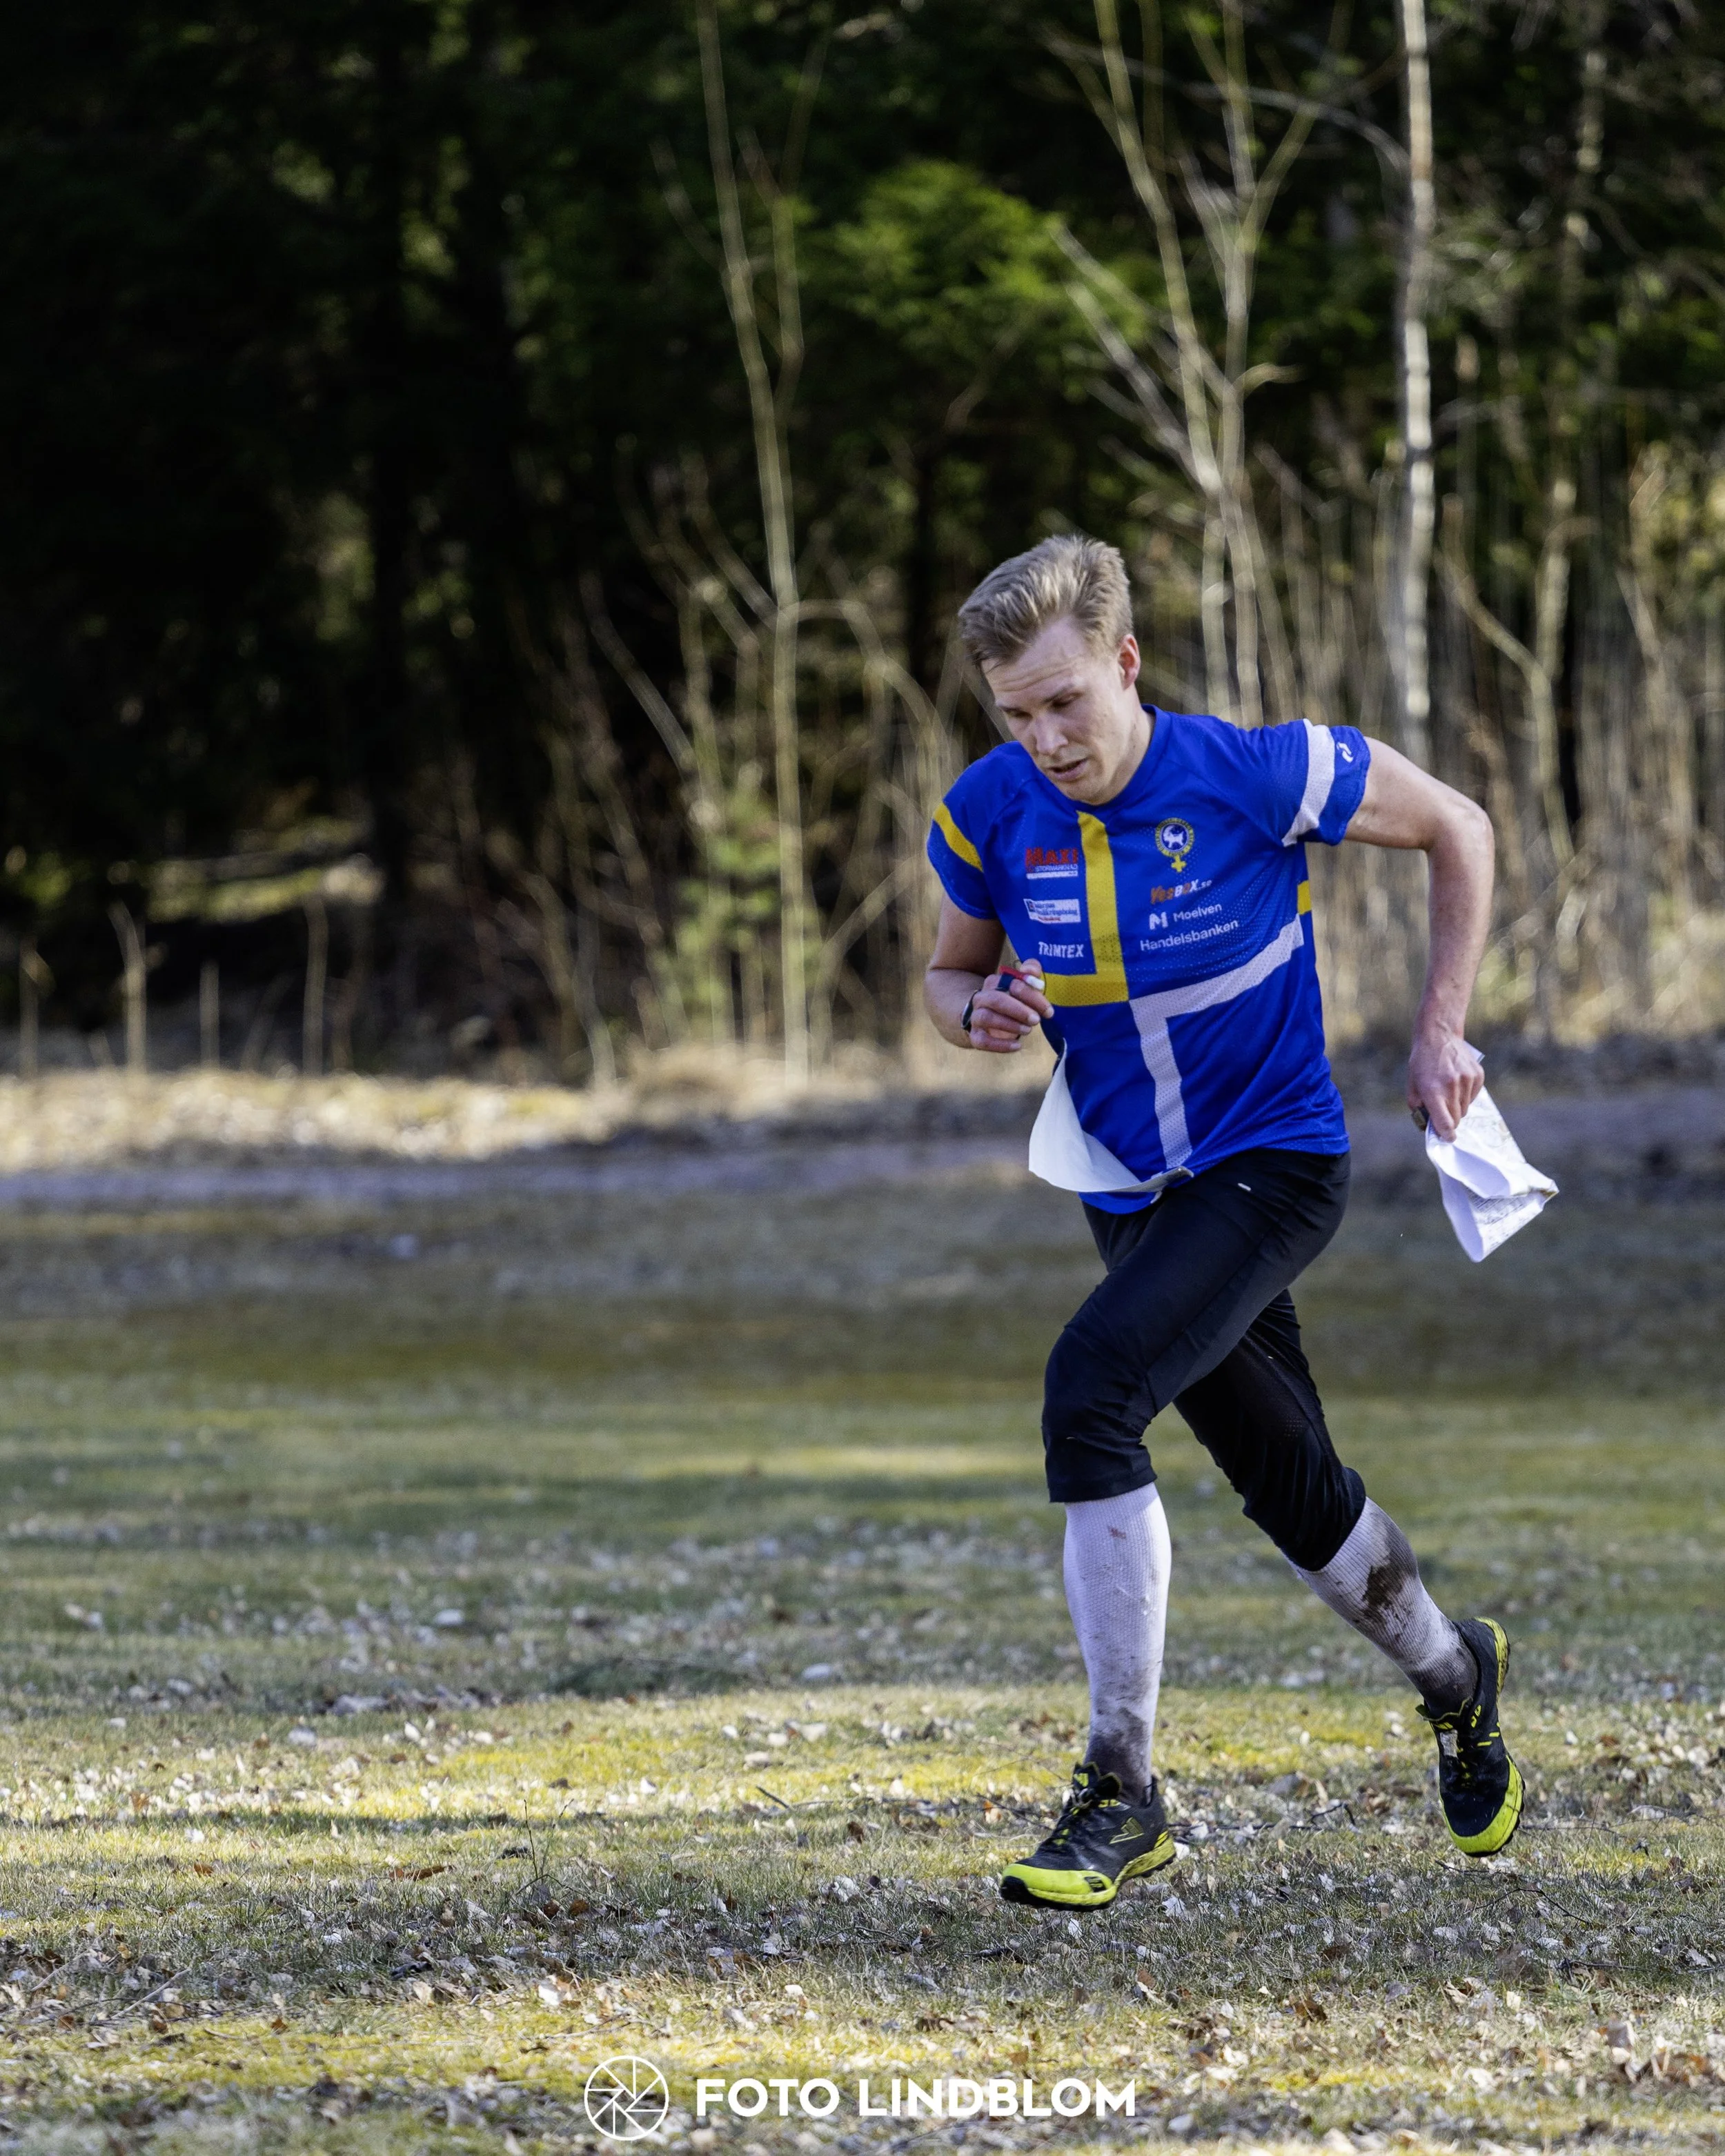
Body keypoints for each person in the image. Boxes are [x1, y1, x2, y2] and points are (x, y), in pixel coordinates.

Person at [923, 533, 1520, 1910]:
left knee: (1090, 1391)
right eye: (1017, 713)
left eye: (1066, 700)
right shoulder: (984, 813)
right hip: (1125, 1189)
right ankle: (1452, 1671)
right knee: (1287, 1482)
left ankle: (1121, 1786)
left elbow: (1460, 827)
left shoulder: (1254, 773)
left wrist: (1439, 1033)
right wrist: (982, 1015)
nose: (1046, 738)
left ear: (1123, 662)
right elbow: (945, 980)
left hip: (1272, 1164)